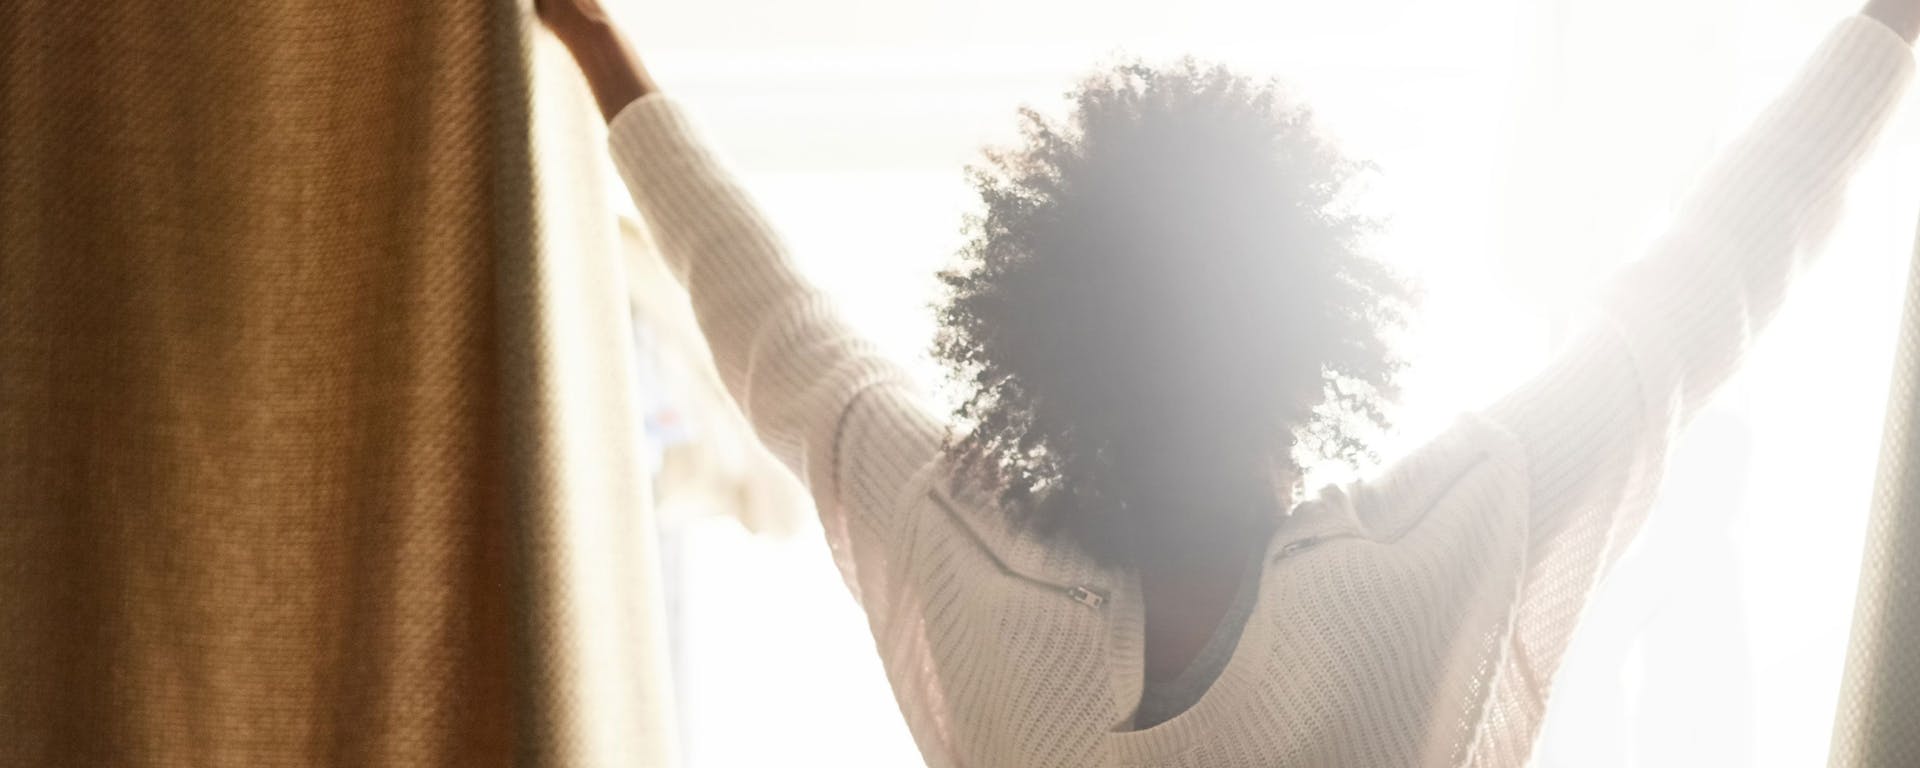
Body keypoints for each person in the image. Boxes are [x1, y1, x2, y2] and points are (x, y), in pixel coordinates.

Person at [537, 1, 1920, 765]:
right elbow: (1697, 294)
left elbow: (773, 324)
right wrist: (1885, 30)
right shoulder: (1433, 553)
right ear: (1309, 354)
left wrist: (596, 46)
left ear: (1046, 366)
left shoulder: (969, 555)